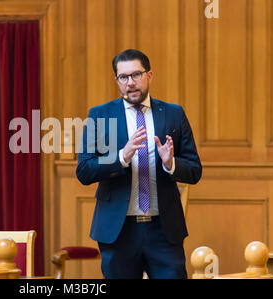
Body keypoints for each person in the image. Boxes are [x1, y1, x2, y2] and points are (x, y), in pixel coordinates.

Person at [76, 49, 202, 279]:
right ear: (117, 80)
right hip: (118, 231)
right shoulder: (100, 115)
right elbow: (84, 170)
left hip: (163, 232)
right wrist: (121, 157)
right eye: (123, 77)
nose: (130, 83)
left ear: (149, 75)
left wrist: (170, 163)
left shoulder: (173, 114)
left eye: (136, 74)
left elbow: (194, 170)